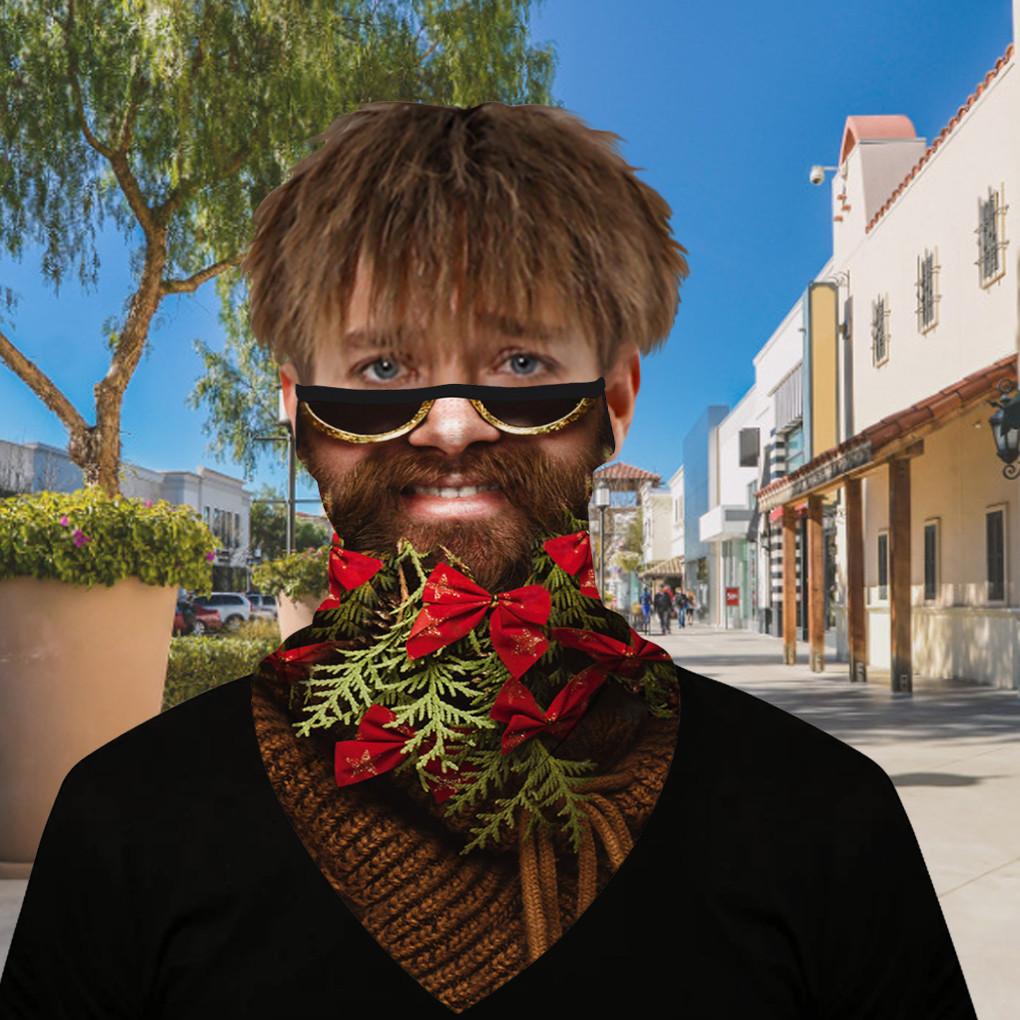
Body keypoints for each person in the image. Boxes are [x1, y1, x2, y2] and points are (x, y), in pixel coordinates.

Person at [0, 101, 976, 1019]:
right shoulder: (126, 822)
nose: (456, 424)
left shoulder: (825, 824)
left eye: (520, 364)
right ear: (297, 410)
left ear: (617, 398)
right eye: (384, 368)